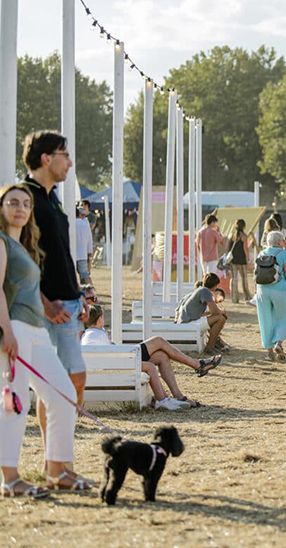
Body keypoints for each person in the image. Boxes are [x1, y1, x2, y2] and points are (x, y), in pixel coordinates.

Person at [0, 183, 87, 496]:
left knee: (63, 395)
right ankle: (9, 478)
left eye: (25, 203)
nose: (20, 208)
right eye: (13, 202)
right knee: (14, 404)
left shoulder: (23, 245)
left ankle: (56, 470)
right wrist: (7, 333)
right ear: (1, 208)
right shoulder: (1, 243)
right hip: (16, 332)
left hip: (36, 330)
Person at [22, 132, 90, 449]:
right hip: (49, 308)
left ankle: (57, 455)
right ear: (46, 158)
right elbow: (19, 259)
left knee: (65, 382)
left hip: (69, 303)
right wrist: (46, 303)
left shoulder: (51, 197)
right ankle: (57, 455)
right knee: (65, 381)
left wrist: (81, 293)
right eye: (65, 154)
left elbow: (61, 251)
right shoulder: (26, 198)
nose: (70, 162)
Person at [81, 305, 219, 410]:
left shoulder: (90, 335)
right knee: (158, 341)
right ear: (99, 319)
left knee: (161, 356)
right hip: (120, 366)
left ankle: (175, 397)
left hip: (117, 365)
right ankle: (195, 365)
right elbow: (111, 357)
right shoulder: (97, 335)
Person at [255, 231, 286, 361]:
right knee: (284, 318)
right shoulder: (283, 253)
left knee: (266, 319)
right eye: (283, 241)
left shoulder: (261, 253)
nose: (284, 243)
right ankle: (278, 343)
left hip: (262, 289)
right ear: (279, 242)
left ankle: (269, 352)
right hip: (280, 289)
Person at [175, 273, 228, 355]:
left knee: (219, 317)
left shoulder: (201, 290)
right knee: (220, 318)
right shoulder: (205, 291)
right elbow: (214, 311)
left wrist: (219, 312)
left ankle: (214, 343)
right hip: (189, 323)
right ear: (214, 285)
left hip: (188, 321)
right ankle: (210, 347)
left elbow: (207, 312)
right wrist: (222, 312)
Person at [227, 219, 251, 303]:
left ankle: (234, 297)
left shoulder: (231, 235)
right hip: (241, 260)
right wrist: (248, 258)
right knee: (244, 278)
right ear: (243, 226)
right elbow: (245, 248)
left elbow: (227, 247)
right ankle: (247, 296)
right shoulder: (244, 236)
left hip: (233, 260)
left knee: (234, 278)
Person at [74, 206, 93, 285]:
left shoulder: (69, 223)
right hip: (82, 253)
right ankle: (90, 293)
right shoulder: (85, 224)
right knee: (85, 275)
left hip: (71, 253)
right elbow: (89, 239)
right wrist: (89, 252)